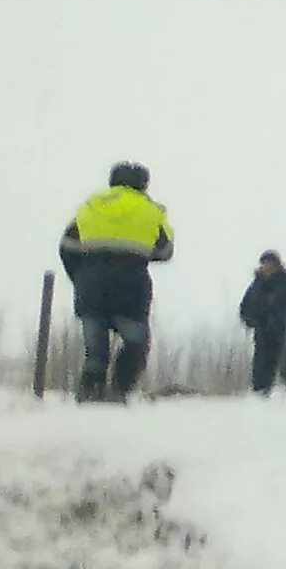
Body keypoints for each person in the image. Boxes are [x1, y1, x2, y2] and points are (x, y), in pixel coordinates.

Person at [58, 161, 174, 404]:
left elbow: (67, 246)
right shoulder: (152, 210)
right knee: (136, 342)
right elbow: (165, 251)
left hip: (90, 288)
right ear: (143, 183)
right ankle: (118, 392)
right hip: (130, 290)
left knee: (95, 354)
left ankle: (89, 398)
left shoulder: (90, 205)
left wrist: (79, 277)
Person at [237, 250, 286, 394]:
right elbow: (245, 308)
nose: (267, 267)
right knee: (261, 371)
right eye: (265, 264)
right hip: (264, 335)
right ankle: (261, 401)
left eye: (271, 264)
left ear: (278, 265)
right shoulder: (257, 286)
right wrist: (252, 319)